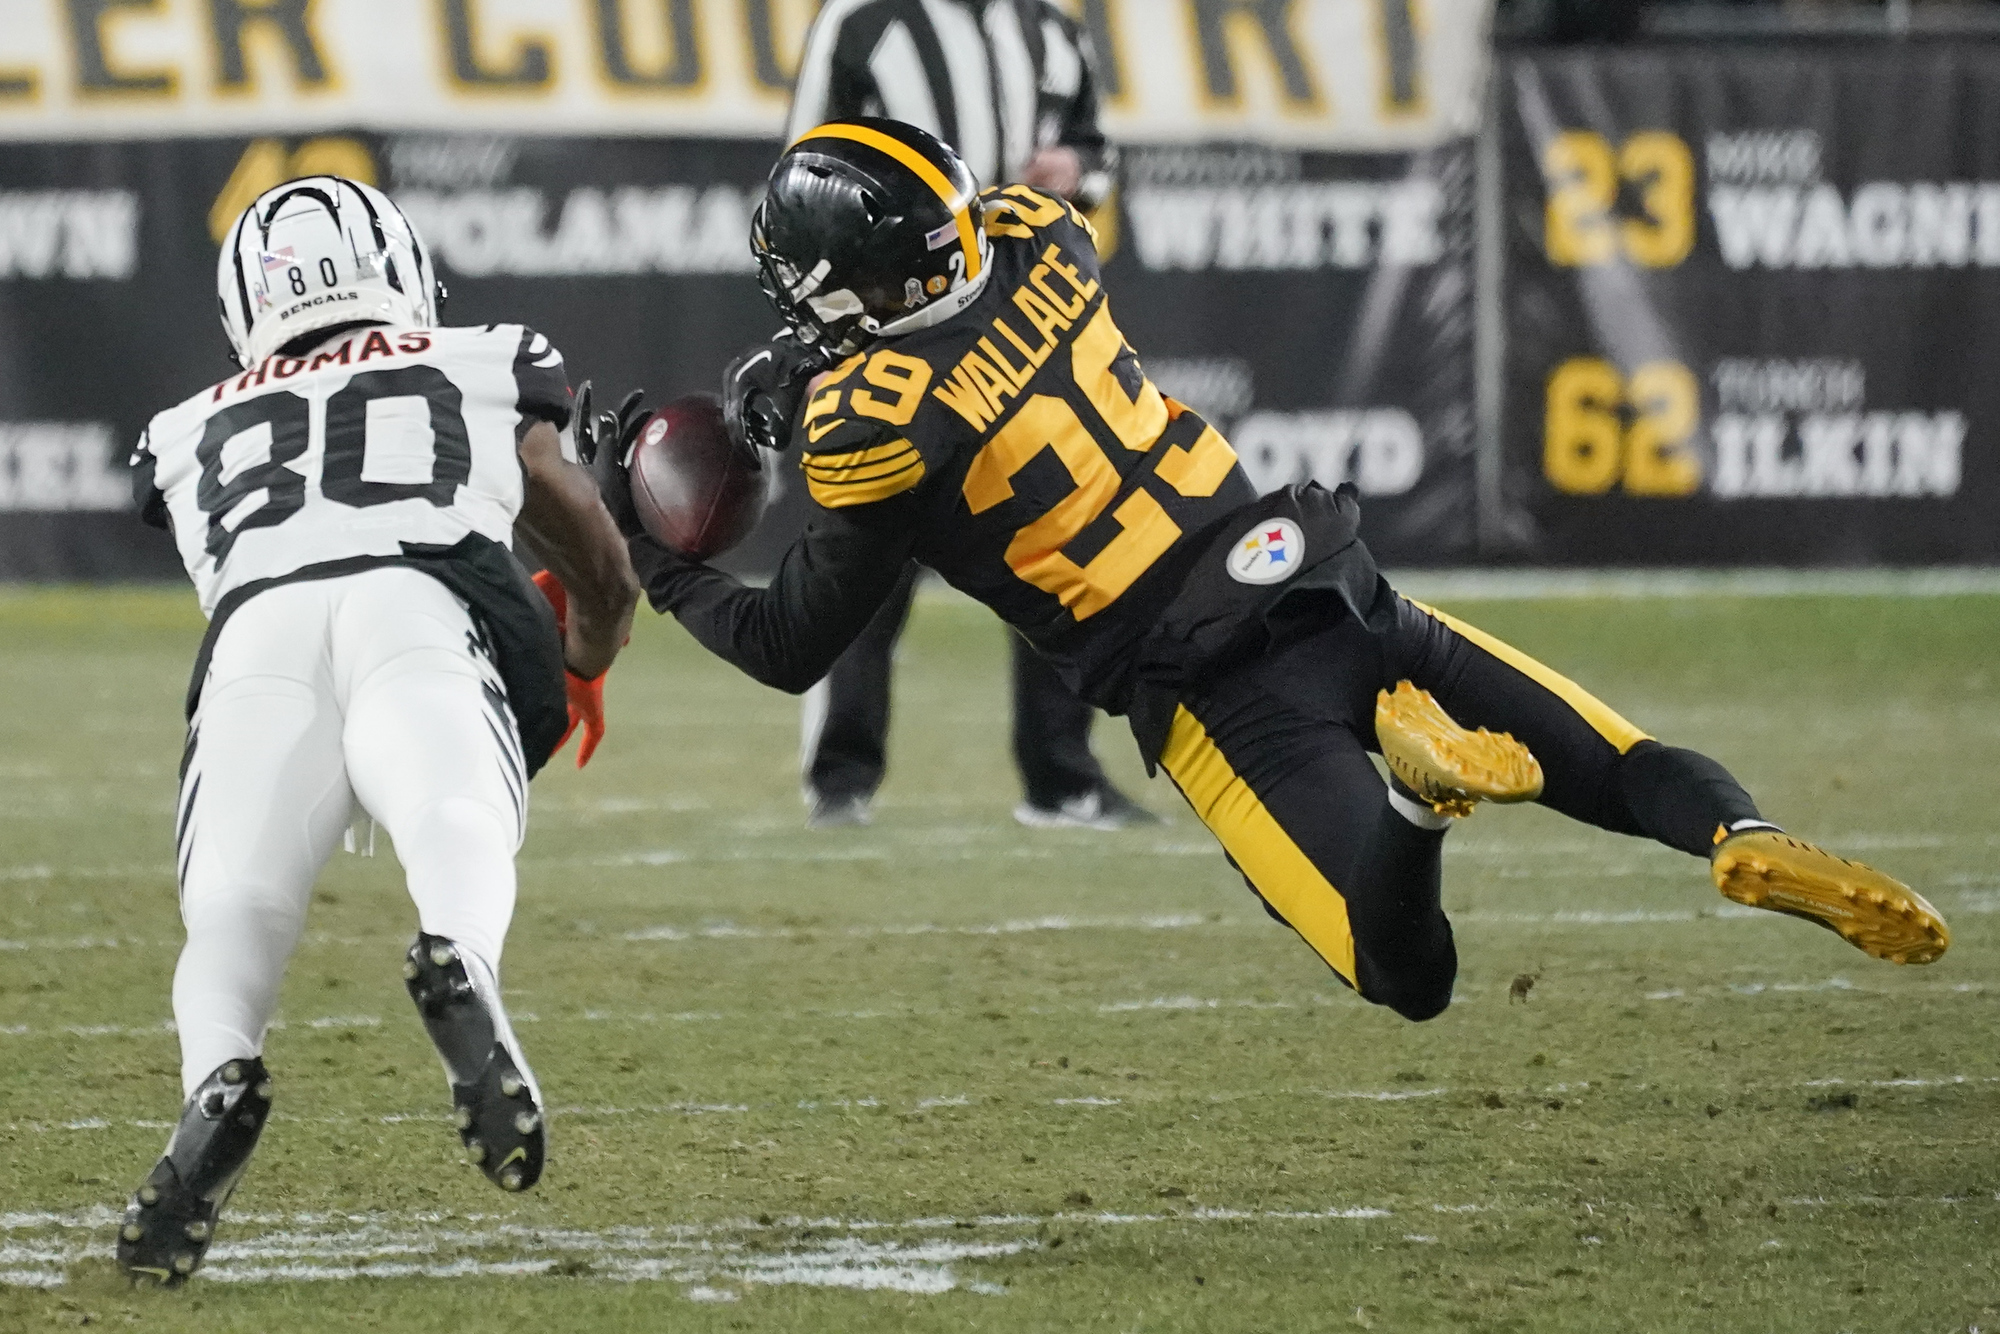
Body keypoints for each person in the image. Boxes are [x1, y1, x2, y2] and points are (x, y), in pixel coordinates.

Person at [597, 120, 1949, 1031]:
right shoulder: (1041, 239)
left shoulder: (869, 428)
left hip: (1208, 684)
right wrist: (833, 354)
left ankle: (1421, 805)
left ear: (850, 287)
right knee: (1619, 756)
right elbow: (969, 294)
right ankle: (1741, 834)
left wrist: (650, 549)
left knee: (1399, 968)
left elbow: (789, 642)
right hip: (1316, 562)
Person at [118, 176, 638, 1285]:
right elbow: (561, 502)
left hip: (258, 632)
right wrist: (595, 630)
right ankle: (460, 954)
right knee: (455, 810)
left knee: (234, 902)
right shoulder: (480, 354)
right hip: (417, 598)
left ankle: (217, 1073)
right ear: (397, 267)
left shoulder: (180, 429)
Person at [769, 0, 1144, 829]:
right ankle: (841, 775)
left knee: (1049, 528)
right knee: (870, 542)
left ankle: (1062, 777)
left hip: (1016, 306)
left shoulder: (1049, 24)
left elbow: (1098, 148)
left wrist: (1073, 170)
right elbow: (801, 166)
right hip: (894, 313)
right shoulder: (864, 19)